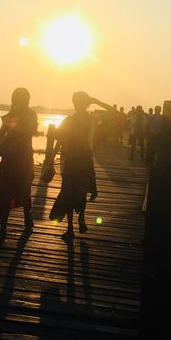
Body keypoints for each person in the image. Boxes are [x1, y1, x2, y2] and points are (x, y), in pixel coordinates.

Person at [48, 92, 111, 243]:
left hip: (71, 161)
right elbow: (113, 113)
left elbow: (58, 139)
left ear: (74, 103)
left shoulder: (69, 120)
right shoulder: (92, 119)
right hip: (85, 160)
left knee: (68, 192)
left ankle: (70, 228)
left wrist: (50, 159)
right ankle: (80, 218)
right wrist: (97, 101)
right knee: (81, 191)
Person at [0, 87, 38, 242]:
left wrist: (16, 128)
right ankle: (3, 228)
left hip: (23, 157)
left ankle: (27, 217)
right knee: (5, 191)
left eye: (26, 99)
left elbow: (31, 131)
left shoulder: (31, 114)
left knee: (24, 188)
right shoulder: (10, 115)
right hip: (9, 157)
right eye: (21, 99)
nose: (24, 102)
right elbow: (0, 135)